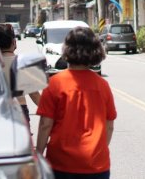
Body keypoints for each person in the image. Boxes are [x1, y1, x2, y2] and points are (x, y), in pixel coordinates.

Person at [35, 26, 116, 179]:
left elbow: (46, 124)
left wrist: (38, 154)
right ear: (96, 50)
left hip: (61, 164)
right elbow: (109, 126)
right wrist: (99, 151)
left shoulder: (54, 84)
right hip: (96, 166)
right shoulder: (102, 85)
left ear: (66, 49)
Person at [0, 24, 41, 123]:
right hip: (20, 110)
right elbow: (34, 94)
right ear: (14, 42)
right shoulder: (22, 63)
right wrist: (49, 111)